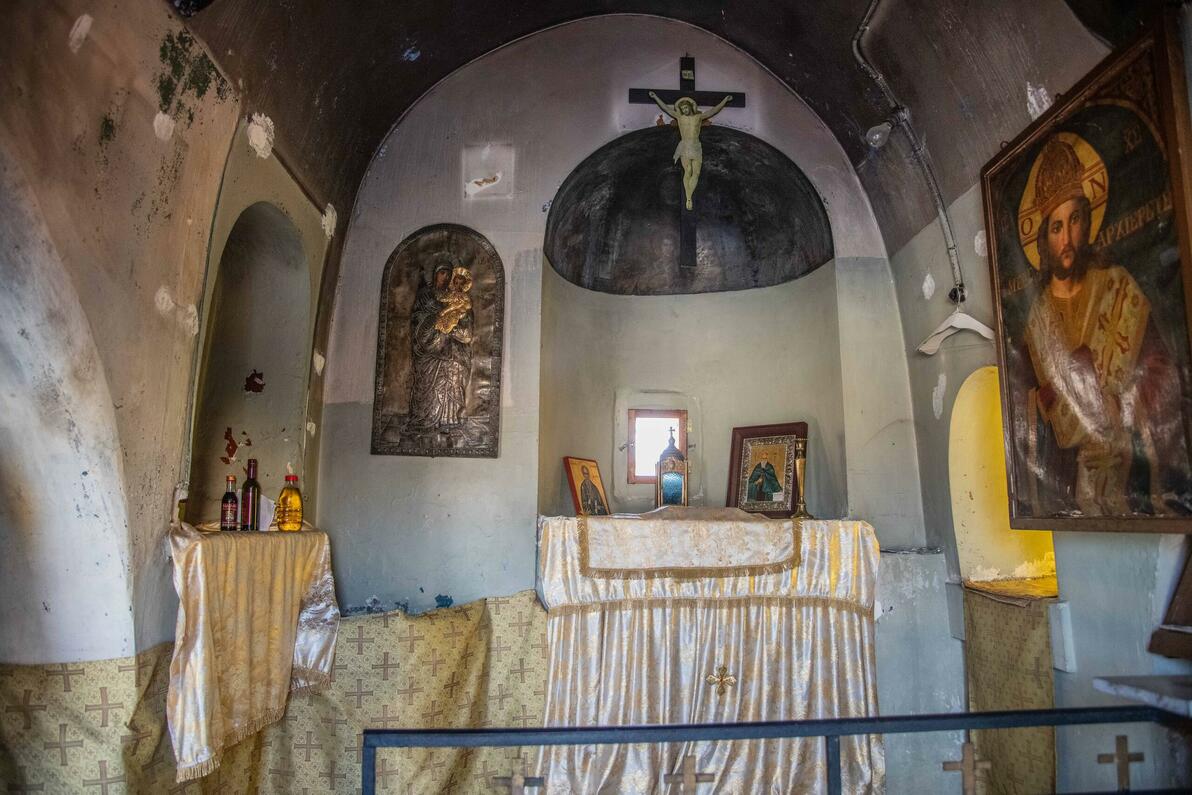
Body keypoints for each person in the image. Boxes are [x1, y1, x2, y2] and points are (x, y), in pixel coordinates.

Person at [1023, 135, 1189, 515]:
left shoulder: (1117, 286)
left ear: (1087, 222)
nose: (1067, 239)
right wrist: (1058, 389)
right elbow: (1033, 403)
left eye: (1075, 221)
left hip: (1128, 461)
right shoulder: (1038, 318)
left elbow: (1160, 368)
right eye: (1056, 227)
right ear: (1044, 240)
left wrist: (1116, 395)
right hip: (1073, 475)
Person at [406, 257, 473, 432]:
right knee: (425, 384)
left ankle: (450, 419)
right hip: (427, 350)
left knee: (452, 372)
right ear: (435, 274)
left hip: (451, 351)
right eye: (442, 273)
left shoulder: (458, 300)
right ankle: (424, 418)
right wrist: (435, 323)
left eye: (449, 274)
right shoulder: (425, 296)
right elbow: (416, 319)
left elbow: (467, 333)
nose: (446, 277)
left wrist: (450, 329)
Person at [649, 92, 732, 210]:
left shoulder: (698, 117)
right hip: (685, 146)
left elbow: (713, 111)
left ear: (690, 107)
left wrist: (725, 100)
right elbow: (665, 108)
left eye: (686, 107)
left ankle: (689, 196)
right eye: (682, 108)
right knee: (687, 171)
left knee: (696, 173)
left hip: (696, 146)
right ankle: (689, 198)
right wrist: (655, 97)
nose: (685, 110)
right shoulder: (679, 117)